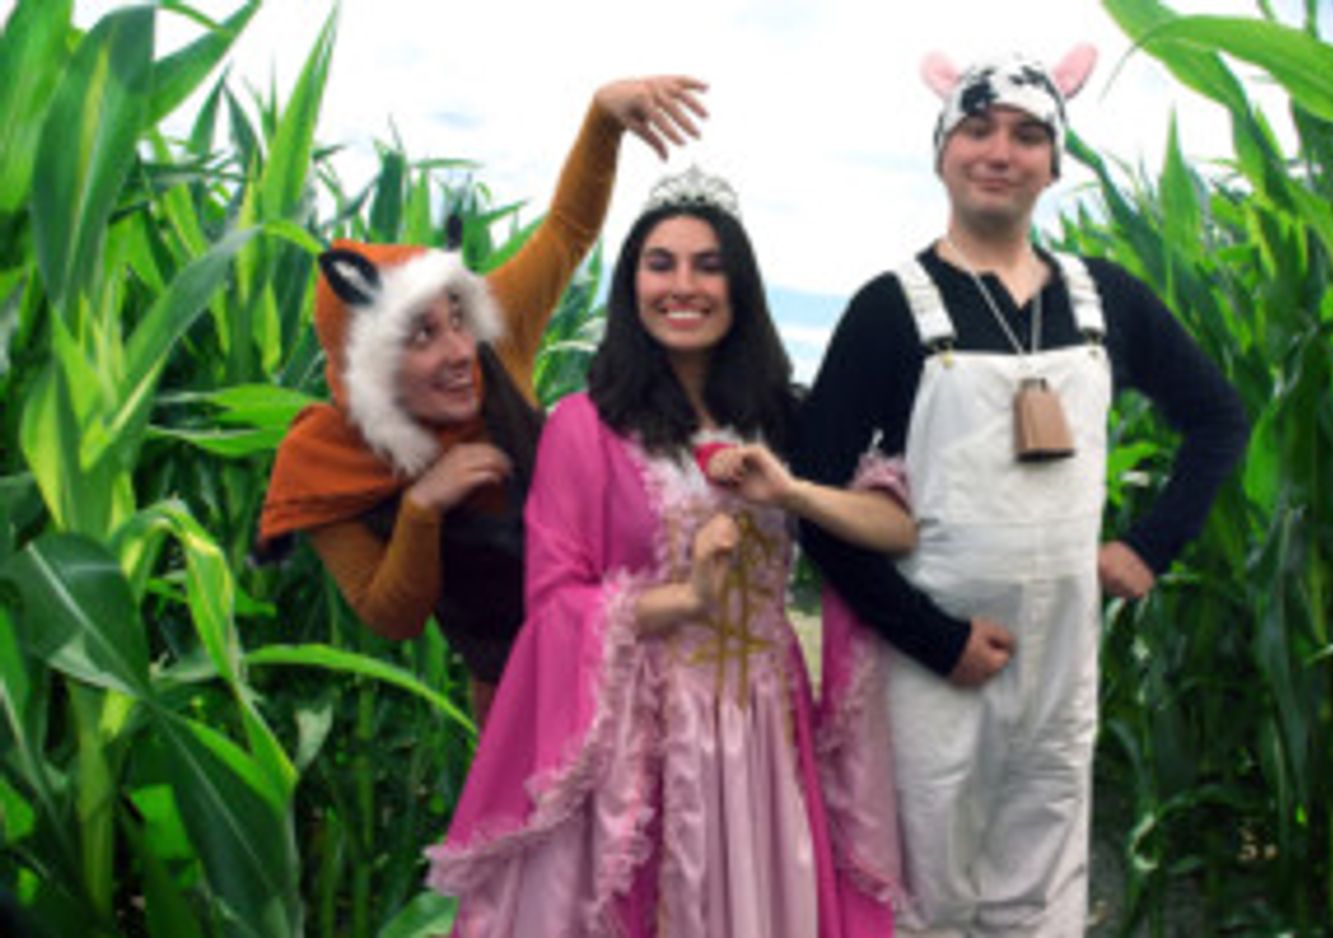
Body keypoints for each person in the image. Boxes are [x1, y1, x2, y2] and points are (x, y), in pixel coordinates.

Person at [793, 48, 1250, 936]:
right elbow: (815, 504)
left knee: (1045, 882)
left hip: (1062, 654)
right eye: (977, 129)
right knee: (928, 887)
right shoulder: (891, 309)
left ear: (1054, 161)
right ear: (942, 151)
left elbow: (1218, 419)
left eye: (1028, 135)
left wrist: (1150, 544)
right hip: (930, 661)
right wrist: (936, 639)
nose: (1000, 151)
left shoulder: (1103, 298)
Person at [425, 167, 906, 937]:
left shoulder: (788, 419)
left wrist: (791, 496)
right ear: (631, 284)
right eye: (661, 264)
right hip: (645, 732)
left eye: (709, 266)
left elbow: (892, 528)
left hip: (765, 727)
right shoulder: (585, 426)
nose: (684, 286)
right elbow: (554, 604)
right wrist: (686, 599)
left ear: (741, 287)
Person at [256, 76, 708, 725]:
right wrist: (422, 507)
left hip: (638, 657)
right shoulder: (325, 463)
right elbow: (392, 616)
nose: (459, 350)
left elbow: (567, 230)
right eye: (422, 335)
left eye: (456, 319)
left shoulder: (497, 340)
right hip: (517, 705)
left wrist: (603, 118)